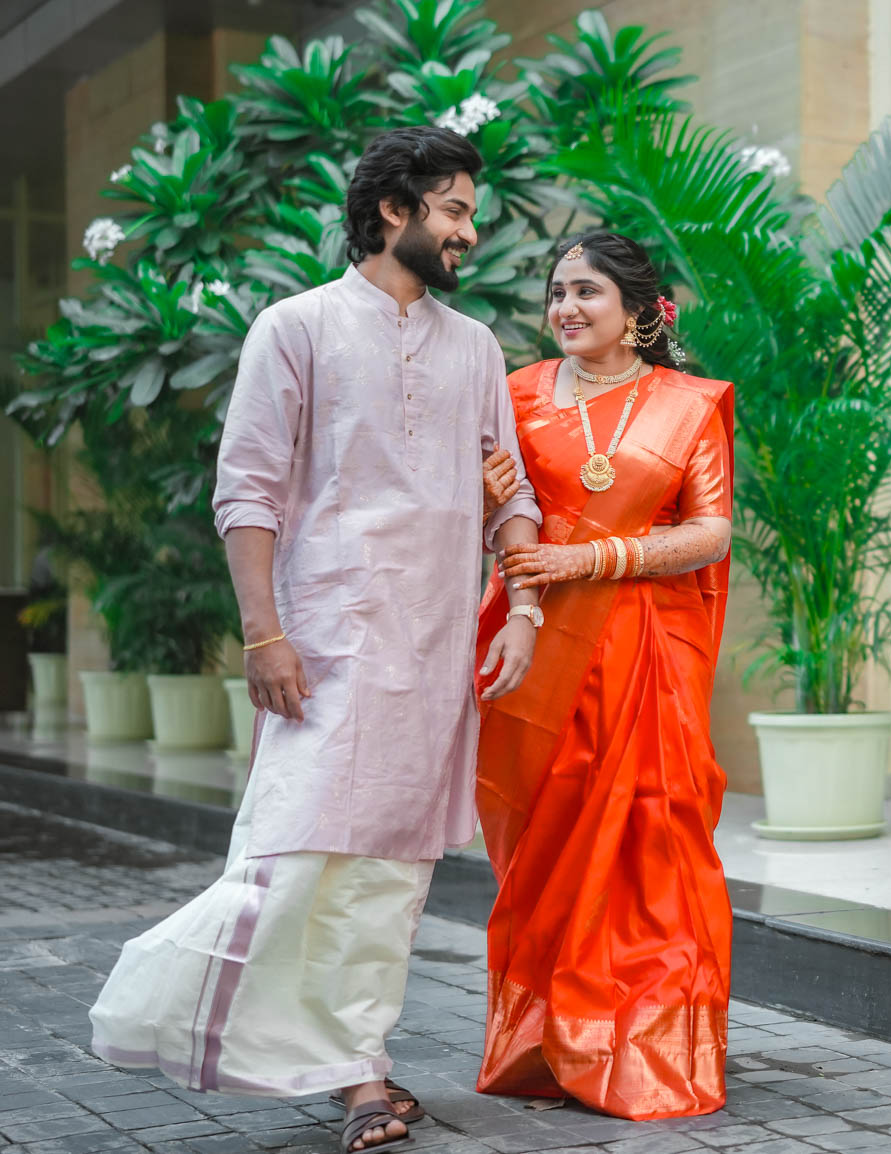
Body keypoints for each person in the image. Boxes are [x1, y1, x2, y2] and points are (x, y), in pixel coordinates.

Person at [87, 125, 545, 1153]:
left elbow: (512, 497)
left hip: (433, 652)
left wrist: (522, 608)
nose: (469, 232)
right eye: (454, 210)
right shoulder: (294, 328)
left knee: (388, 875)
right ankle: (173, 1009)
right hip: (326, 642)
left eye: (469, 214)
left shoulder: (474, 348)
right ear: (394, 210)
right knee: (289, 856)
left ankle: (359, 1071)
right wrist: (264, 635)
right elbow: (246, 490)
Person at [471, 232, 734, 1120]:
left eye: (586, 291)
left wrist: (591, 558)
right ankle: (551, 1044)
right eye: (557, 293)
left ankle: (649, 1046)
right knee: (549, 843)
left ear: (637, 310)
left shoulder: (686, 405)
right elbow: (500, 512)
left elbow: (710, 533)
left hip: (648, 650)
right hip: (541, 645)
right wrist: (487, 503)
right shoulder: (516, 394)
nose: (566, 308)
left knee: (651, 841)